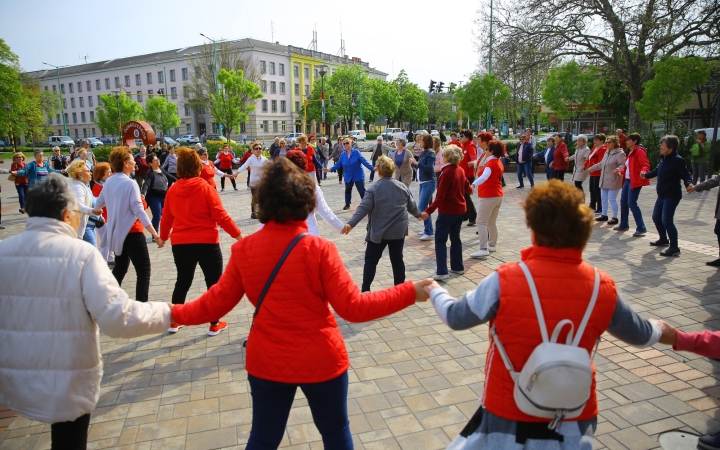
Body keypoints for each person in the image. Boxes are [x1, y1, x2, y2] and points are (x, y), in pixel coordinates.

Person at [169, 157, 432, 450]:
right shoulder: (319, 249)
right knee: (335, 433)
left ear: (262, 201)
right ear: (306, 200)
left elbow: (212, 306)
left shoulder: (244, 250)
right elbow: (354, 308)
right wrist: (409, 292)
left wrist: (167, 313)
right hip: (321, 358)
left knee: (263, 438)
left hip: (267, 359)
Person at [423, 180, 661, 449]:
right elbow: (642, 336)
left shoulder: (507, 279)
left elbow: (456, 317)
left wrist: (434, 290)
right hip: (573, 414)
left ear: (533, 229)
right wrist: (664, 330)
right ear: (583, 230)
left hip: (508, 409)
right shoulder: (600, 286)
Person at [0, 174, 172, 450]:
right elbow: (118, 319)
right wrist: (168, 313)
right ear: (68, 214)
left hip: (12, 374)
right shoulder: (81, 255)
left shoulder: (3, 251)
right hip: (68, 375)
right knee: (69, 442)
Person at [160, 148, 242, 336]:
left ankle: (175, 320)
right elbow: (221, 216)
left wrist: (163, 237)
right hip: (207, 242)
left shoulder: (172, 190)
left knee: (183, 281)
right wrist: (238, 236)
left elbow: (166, 218)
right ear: (198, 166)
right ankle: (214, 323)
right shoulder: (205, 187)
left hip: (180, 244)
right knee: (213, 284)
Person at [93, 147, 163, 302]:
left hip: (117, 234)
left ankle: (105, 300)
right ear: (125, 163)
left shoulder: (109, 181)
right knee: (143, 271)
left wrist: (95, 210)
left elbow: (99, 203)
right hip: (133, 232)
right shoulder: (131, 183)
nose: (135, 161)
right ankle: (141, 308)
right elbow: (138, 209)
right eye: (132, 159)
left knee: (121, 268)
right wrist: (155, 233)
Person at [343, 155, 423, 291]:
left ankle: (366, 289)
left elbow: (363, 208)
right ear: (392, 170)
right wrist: (419, 215)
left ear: (378, 171)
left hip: (379, 233)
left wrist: (351, 224)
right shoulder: (402, 186)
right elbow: (411, 205)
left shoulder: (374, 188)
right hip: (398, 232)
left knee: (370, 261)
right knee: (397, 260)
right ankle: (400, 290)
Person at [421, 145, 472, 281]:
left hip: (448, 211)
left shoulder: (446, 172)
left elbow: (440, 196)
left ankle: (442, 270)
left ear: (448, 157)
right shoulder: (460, 170)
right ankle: (458, 266)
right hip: (460, 210)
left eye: (443, 155)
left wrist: (428, 211)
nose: (441, 157)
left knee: (440, 240)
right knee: (455, 238)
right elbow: (468, 187)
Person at [641, 135, 694, 257]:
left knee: (667, 220)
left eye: (662, 145)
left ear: (670, 147)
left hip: (672, 195)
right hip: (662, 195)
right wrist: (646, 175)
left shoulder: (678, 160)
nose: (660, 147)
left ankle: (674, 247)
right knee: (656, 217)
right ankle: (663, 239)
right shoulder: (663, 159)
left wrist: (689, 183)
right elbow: (656, 171)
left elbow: (686, 174)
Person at [471, 140, 505, 258]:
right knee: (491, 222)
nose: (485, 151)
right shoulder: (498, 161)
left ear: (491, 151)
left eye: (487, 149)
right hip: (498, 195)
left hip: (489, 195)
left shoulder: (491, 163)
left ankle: (483, 248)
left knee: (481, 221)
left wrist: (473, 184)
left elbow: (485, 176)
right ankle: (491, 244)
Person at [615, 133, 650, 235]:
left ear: (635, 141)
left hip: (634, 181)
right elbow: (628, 168)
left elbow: (645, 164)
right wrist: (620, 172)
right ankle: (624, 223)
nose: (626, 142)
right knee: (623, 202)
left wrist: (644, 171)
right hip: (627, 180)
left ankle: (641, 227)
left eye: (629, 140)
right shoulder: (630, 152)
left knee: (631, 203)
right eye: (626, 140)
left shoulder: (639, 151)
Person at [586, 135, 626, 225]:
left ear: (615, 143)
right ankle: (604, 215)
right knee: (603, 198)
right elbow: (601, 164)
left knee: (611, 199)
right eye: (607, 142)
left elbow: (623, 165)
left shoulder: (620, 153)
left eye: (609, 142)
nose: (607, 144)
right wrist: (591, 168)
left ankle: (615, 217)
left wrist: (618, 170)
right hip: (604, 179)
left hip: (614, 179)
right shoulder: (607, 152)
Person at [327, 137, 375, 210]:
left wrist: (372, 168)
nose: (346, 144)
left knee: (361, 190)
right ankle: (347, 204)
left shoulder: (356, 152)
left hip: (358, 175)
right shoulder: (343, 154)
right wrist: (330, 169)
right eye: (344, 143)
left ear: (351, 143)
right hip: (348, 175)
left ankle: (367, 204)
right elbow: (338, 164)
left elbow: (364, 162)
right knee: (348, 190)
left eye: (347, 143)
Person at [141, 152, 176, 236]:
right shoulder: (150, 173)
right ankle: (155, 234)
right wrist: (143, 193)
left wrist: (181, 181)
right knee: (157, 216)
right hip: (155, 198)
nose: (158, 161)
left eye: (157, 159)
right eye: (155, 160)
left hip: (164, 197)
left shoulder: (162, 170)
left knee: (167, 216)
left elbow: (171, 177)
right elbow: (146, 184)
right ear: (150, 163)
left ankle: (167, 232)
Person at [67, 159, 100, 247]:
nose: (91, 173)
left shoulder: (85, 185)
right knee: (92, 256)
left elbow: (92, 201)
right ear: (79, 174)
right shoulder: (78, 187)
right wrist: (93, 211)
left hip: (90, 225)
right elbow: (78, 206)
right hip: (85, 227)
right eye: (88, 171)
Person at [237, 143, 270, 219]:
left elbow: (271, 166)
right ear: (253, 151)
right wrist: (236, 173)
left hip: (262, 181)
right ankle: (253, 213)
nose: (258, 150)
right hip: (254, 182)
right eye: (256, 149)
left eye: (260, 148)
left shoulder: (264, 159)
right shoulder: (251, 159)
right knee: (255, 197)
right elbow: (244, 166)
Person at [414, 135, 437, 240]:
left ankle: (429, 232)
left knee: (422, 207)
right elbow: (420, 166)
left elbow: (429, 168)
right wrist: (414, 164)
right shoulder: (423, 153)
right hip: (423, 182)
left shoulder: (430, 154)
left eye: (421, 141)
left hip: (429, 182)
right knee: (424, 207)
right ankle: (427, 229)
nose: (420, 142)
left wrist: (417, 164)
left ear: (426, 142)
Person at [92, 163, 114, 266]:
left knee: (110, 241)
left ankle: (111, 259)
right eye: (108, 171)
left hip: (108, 217)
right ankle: (102, 263)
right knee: (106, 243)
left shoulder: (105, 184)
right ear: (102, 173)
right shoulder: (97, 187)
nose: (111, 172)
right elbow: (97, 204)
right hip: (102, 218)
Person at [459, 130, 478, 225]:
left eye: (462, 136)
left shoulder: (471, 146)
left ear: (467, 137)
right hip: (462, 175)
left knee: (466, 196)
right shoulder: (463, 146)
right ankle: (465, 216)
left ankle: (473, 217)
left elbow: (474, 158)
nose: (460, 137)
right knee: (462, 196)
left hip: (469, 176)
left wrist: (472, 162)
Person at [585, 134, 607, 213]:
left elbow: (600, 162)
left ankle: (600, 207)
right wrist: (586, 165)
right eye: (594, 139)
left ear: (602, 141)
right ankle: (592, 205)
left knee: (596, 190)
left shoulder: (603, 149)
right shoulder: (594, 147)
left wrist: (592, 168)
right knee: (592, 189)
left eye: (597, 140)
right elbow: (589, 157)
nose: (594, 141)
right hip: (592, 172)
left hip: (598, 172)